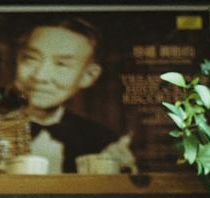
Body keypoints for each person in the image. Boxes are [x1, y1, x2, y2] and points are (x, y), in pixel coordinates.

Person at [9, 17, 135, 173]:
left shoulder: (102, 142)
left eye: (61, 64)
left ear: (88, 76)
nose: (40, 76)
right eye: (30, 58)